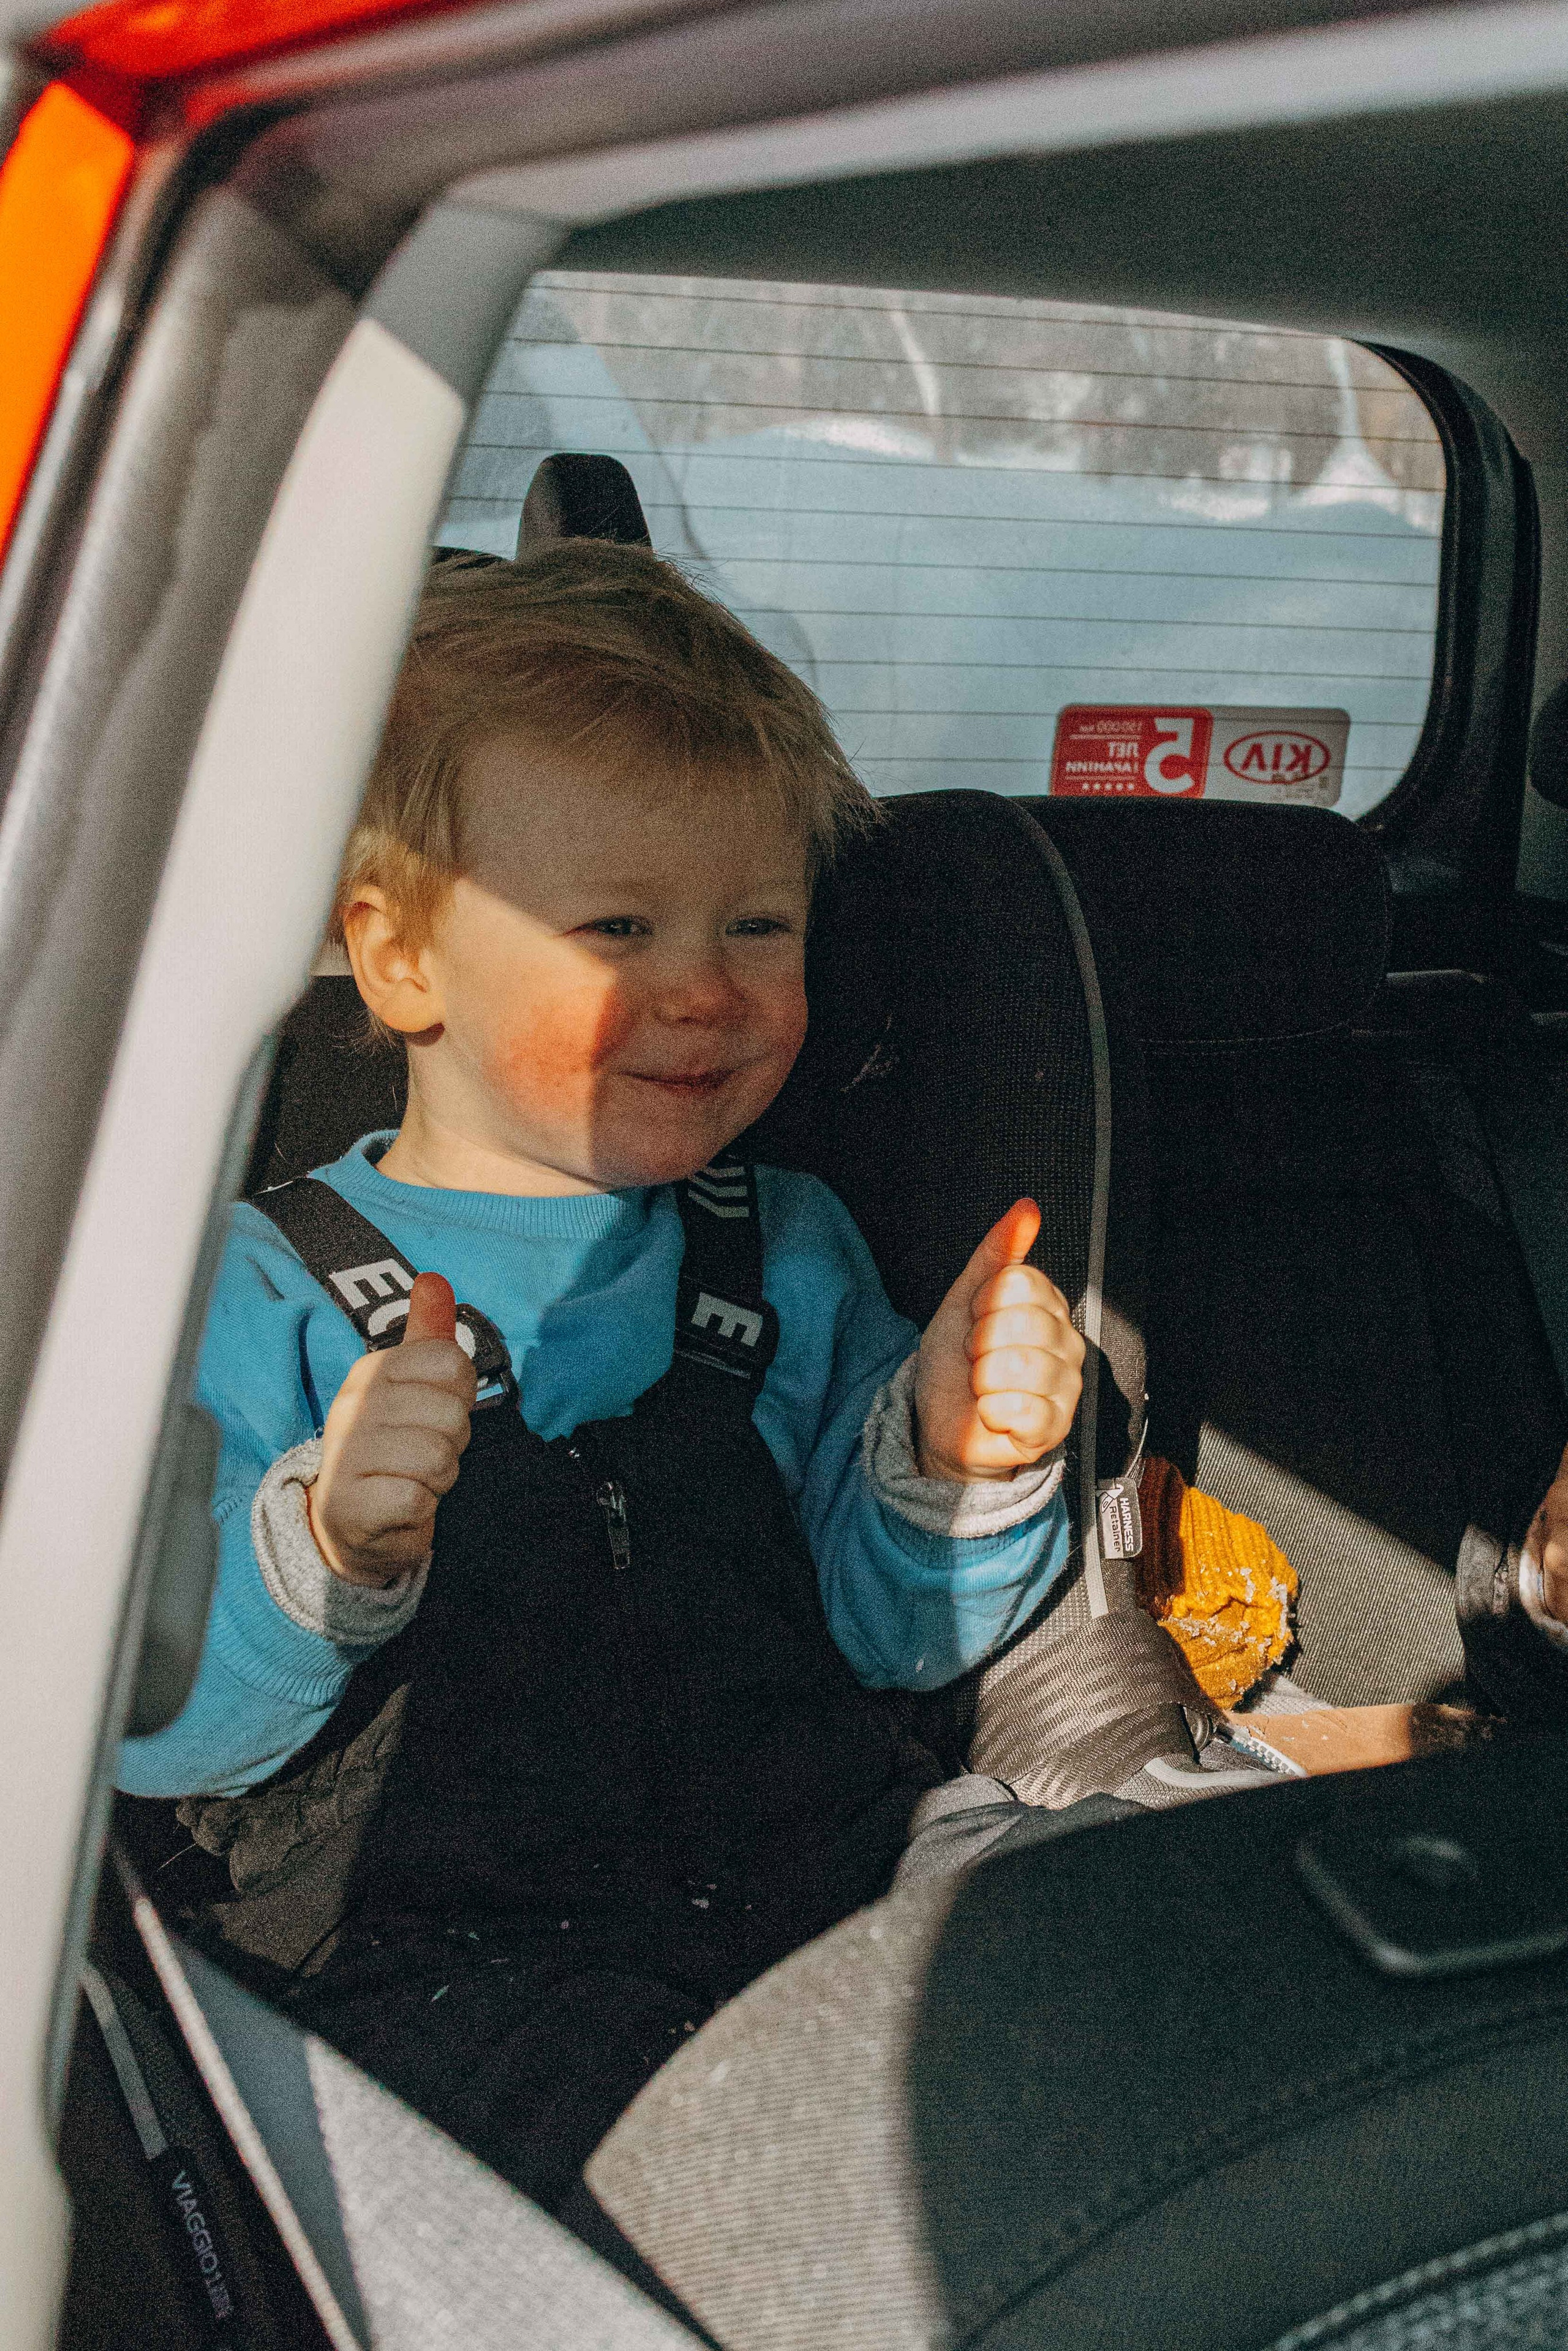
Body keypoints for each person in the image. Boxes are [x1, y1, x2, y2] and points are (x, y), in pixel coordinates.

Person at [119, 543, 1089, 2211]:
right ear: (402, 959)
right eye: (618, 927)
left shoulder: (784, 1246)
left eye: (761, 924)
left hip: (824, 1875)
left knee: (1111, 1965)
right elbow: (162, 1737)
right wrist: (328, 1551)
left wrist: (956, 1465)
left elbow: (886, 1631)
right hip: (442, 1959)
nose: (706, 988)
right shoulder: (258, 1281)